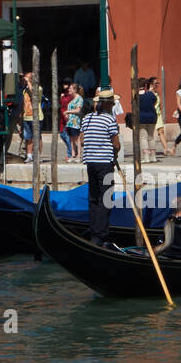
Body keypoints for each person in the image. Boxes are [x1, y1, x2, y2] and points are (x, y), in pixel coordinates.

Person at [79, 89, 121, 247]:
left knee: (94, 198)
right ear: (109, 104)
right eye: (113, 102)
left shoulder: (87, 118)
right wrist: (113, 152)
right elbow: (116, 144)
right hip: (105, 164)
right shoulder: (110, 120)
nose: (114, 104)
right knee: (106, 199)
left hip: (90, 163)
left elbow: (82, 141)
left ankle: (94, 231)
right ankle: (100, 235)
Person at [135, 78, 159, 164]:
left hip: (141, 117)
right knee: (151, 137)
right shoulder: (150, 94)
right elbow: (155, 102)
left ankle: (146, 157)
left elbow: (135, 106)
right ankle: (153, 157)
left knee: (143, 138)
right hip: (152, 116)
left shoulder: (136, 95)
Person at [63, 82, 83, 162]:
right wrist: (67, 115)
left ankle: (79, 155)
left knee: (77, 139)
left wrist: (68, 112)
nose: (69, 90)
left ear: (75, 90)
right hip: (70, 122)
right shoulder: (72, 99)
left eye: (70, 88)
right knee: (71, 139)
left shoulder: (79, 99)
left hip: (75, 122)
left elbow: (78, 110)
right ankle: (73, 154)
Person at [20, 71, 36, 163]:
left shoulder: (37, 87)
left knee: (35, 137)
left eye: (28, 77)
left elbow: (33, 93)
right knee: (27, 137)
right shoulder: (24, 89)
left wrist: (29, 81)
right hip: (26, 116)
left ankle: (36, 154)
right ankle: (29, 155)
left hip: (34, 116)